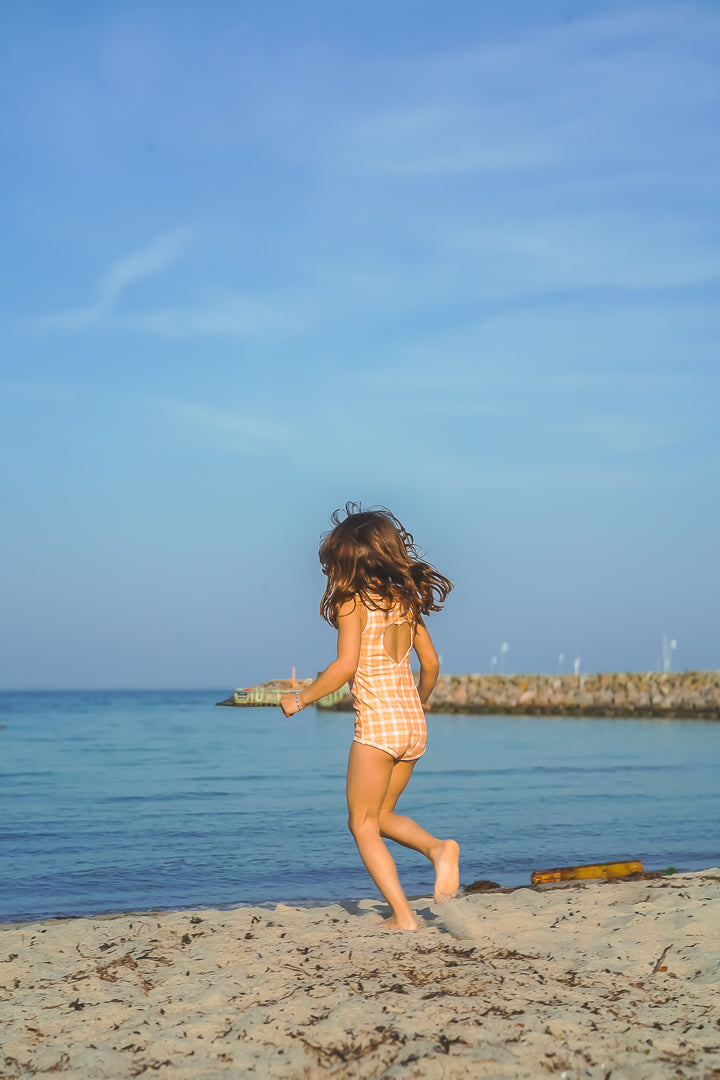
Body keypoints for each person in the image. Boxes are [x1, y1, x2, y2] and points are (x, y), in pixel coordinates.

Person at [280, 502, 458, 931]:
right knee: (381, 816)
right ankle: (438, 850)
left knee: (360, 824)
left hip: (378, 729)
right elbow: (431, 664)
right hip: (413, 727)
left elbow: (344, 667)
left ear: (351, 559)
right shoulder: (406, 600)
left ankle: (402, 915)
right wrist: (422, 700)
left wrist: (300, 700)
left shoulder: (352, 602)